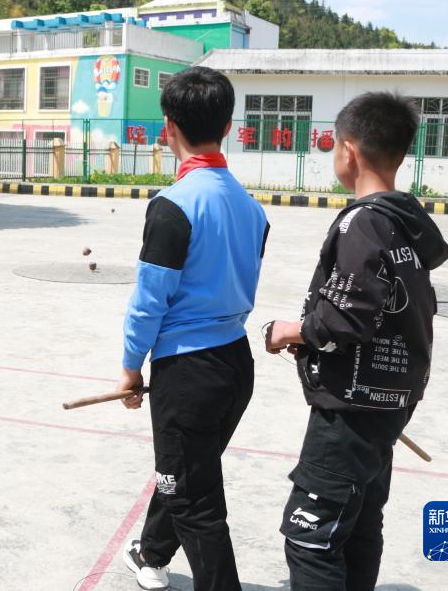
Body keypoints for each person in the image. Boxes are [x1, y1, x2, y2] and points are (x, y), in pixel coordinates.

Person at [265, 92, 448, 590]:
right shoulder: (404, 222)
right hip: (389, 403)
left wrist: (291, 331)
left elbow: (347, 316)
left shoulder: (362, 221)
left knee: (311, 536)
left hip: (351, 411)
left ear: (349, 151)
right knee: (360, 524)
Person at [118, 66, 269, 591]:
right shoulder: (251, 208)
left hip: (189, 373)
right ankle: (152, 553)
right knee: (187, 470)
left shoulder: (173, 206)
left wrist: (130, 367)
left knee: (192, 496)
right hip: (235, 363)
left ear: (168, 128)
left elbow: (149, 302)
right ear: (227, 128)